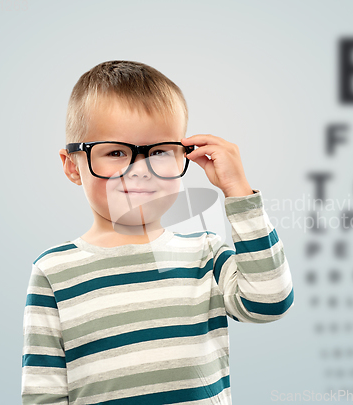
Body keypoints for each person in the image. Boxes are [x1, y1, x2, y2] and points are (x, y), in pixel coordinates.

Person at [21, 60, 294, 405]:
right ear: (73, 166)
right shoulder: (53, 271)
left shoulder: (206, 254)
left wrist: (238, 190)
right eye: (116, 152)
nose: (140, 171)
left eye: (159, 152)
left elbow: (269, 304)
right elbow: (43, 391)